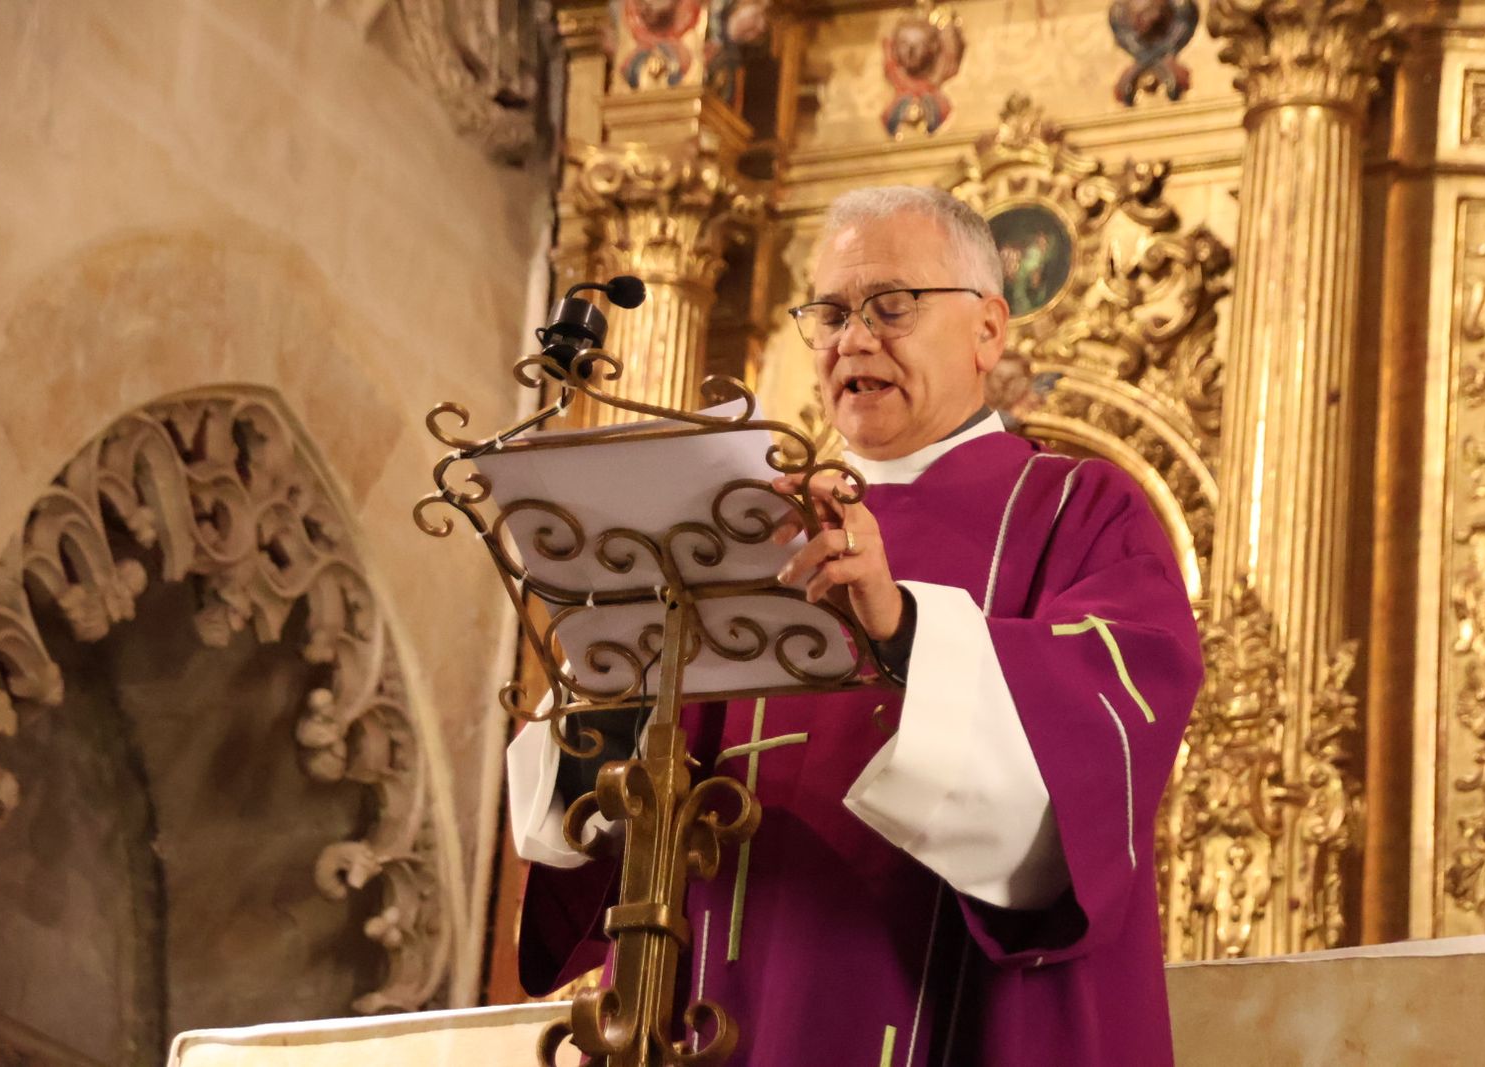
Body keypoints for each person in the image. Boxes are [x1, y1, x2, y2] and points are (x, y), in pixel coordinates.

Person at [508, 185, 1203, 1065]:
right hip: (706, 1024)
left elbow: (1100, 759)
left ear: (989, 329)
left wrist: (902, 625)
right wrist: (608, 685)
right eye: (831, 312)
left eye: (892, 306)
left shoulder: (1082, 509)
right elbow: (595, 819)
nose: (853, 338)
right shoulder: (735, 521)